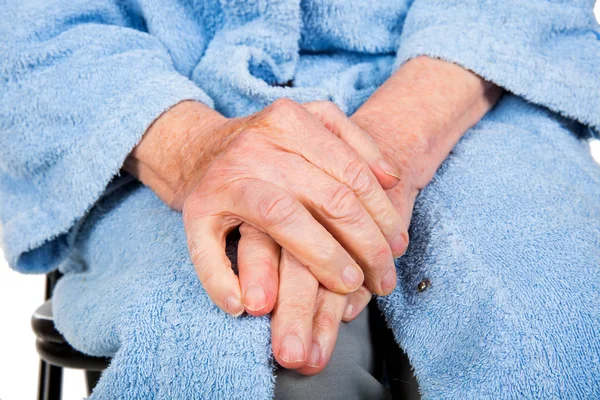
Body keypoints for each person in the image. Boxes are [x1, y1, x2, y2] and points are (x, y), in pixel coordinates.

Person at [1, 0, 599, 398]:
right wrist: (193, 148)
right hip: (150, 107)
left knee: (555, 316)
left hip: (468, 90)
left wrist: (382, 153)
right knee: (247, 351)